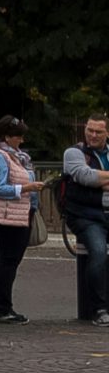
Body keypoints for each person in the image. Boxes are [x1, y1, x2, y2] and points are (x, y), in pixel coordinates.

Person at [0, 116, 38, 325]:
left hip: (13, 214)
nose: (21, 140)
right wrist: (26, 188)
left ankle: (1, 305)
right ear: (7, 137)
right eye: (18, 136)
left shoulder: (14, 156)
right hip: (6, 217)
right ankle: (2, 307)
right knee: (7, 261)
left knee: (3, 260)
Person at [61, 115, 109, 326]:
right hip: (85, 215)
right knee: (98, 251)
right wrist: (96, 180)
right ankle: (99, 308)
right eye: (90, 130)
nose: (93, 135)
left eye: (98, 131)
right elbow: (84, 176)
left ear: (107, 133)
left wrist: (99, 179)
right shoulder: (74, 153)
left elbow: (92, 178)